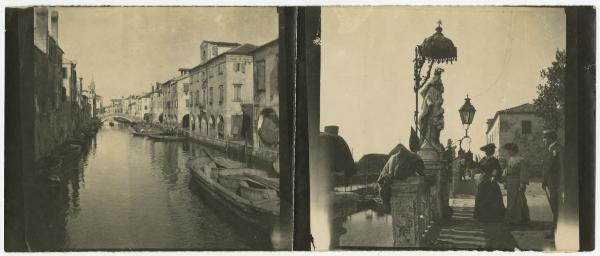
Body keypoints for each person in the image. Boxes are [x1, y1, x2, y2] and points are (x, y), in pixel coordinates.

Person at [377, 144, 425, 212]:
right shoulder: (395, 158)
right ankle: (388, 207)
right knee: (385, 191)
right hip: (385, 182)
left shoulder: (414, 158)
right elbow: (392, 175)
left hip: (394, 176)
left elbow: (421, 173)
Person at [473, 143, 505, 222]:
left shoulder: (495, 161)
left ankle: (492, 217)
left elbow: (498, 171)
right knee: (480, 196)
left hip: (490, 181)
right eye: (486, 151)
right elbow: (478, 167)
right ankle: (482, 216)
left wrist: (494, 177)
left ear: (492, 152)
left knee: (491, 198)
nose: (487, 153)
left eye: (489, 151)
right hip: (483, 180)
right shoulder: (483, 159)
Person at [541, 129, 563, 239]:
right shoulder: (548, 150)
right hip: (549, 184)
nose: (543, 140)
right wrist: (544, 182)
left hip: (556, 184)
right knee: (554, 207)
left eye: (545, 138)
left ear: (550, 138)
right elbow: (546, 168)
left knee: (557, 207)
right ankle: (556, 230)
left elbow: (562, 168)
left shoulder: (558, 149)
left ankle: (556, 231)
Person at [502, 143, 530, 225]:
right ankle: (511, 218)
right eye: (508, 151)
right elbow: (506, 171)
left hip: (517, 181)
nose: (509, 152)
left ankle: (520, 218)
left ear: (514, 150)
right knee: (510, 200)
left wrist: (522, 183)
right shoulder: (510, 159)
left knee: (518, 199)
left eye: (510, 150)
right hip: (510, 182)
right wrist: (505, 180)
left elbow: (523, 172)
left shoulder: (520, 160)